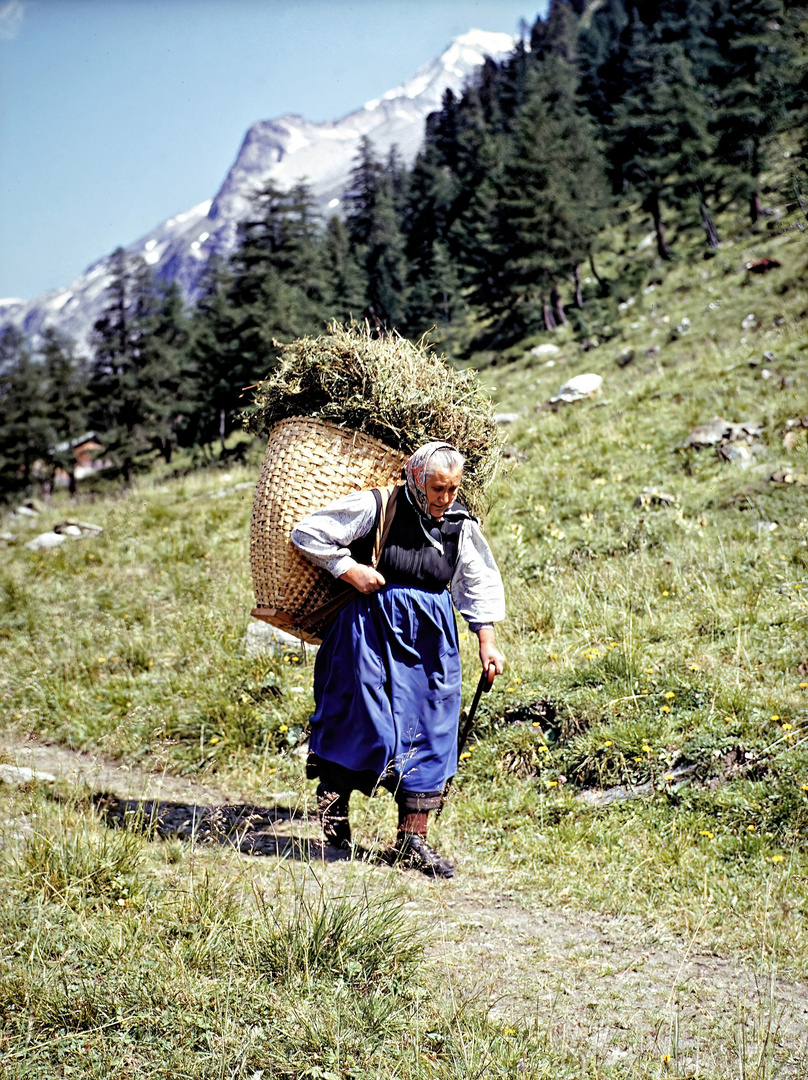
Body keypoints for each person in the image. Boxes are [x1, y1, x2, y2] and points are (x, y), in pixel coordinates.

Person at [291, 440, 505, 878]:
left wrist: (487, 641)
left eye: (452, 489)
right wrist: (348, 569)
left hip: (430, 639)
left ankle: (412, 841)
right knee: (359, 717)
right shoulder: (378, 505)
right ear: (414, 478)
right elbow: (306, 533)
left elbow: (476, 584)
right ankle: (334, 821)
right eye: (437, 489)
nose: (445, 499)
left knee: (432, 726)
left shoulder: (460, 525)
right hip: (368, 628)